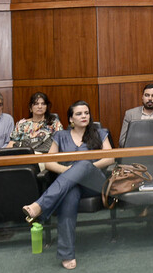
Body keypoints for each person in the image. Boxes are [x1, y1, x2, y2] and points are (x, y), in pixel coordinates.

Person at [21, 101, 114, 270]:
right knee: (69, 196)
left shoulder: (100, 133)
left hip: (94, 183)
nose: (84, 116)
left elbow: (110, 158)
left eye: (86, 113)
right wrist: (69, 171)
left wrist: (84, 168)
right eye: (79, 114)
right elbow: (49, 163)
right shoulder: (60, 136)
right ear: (71, 118)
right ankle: (67, 254)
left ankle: (40, 205)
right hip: (70, 184)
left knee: (84, 163)